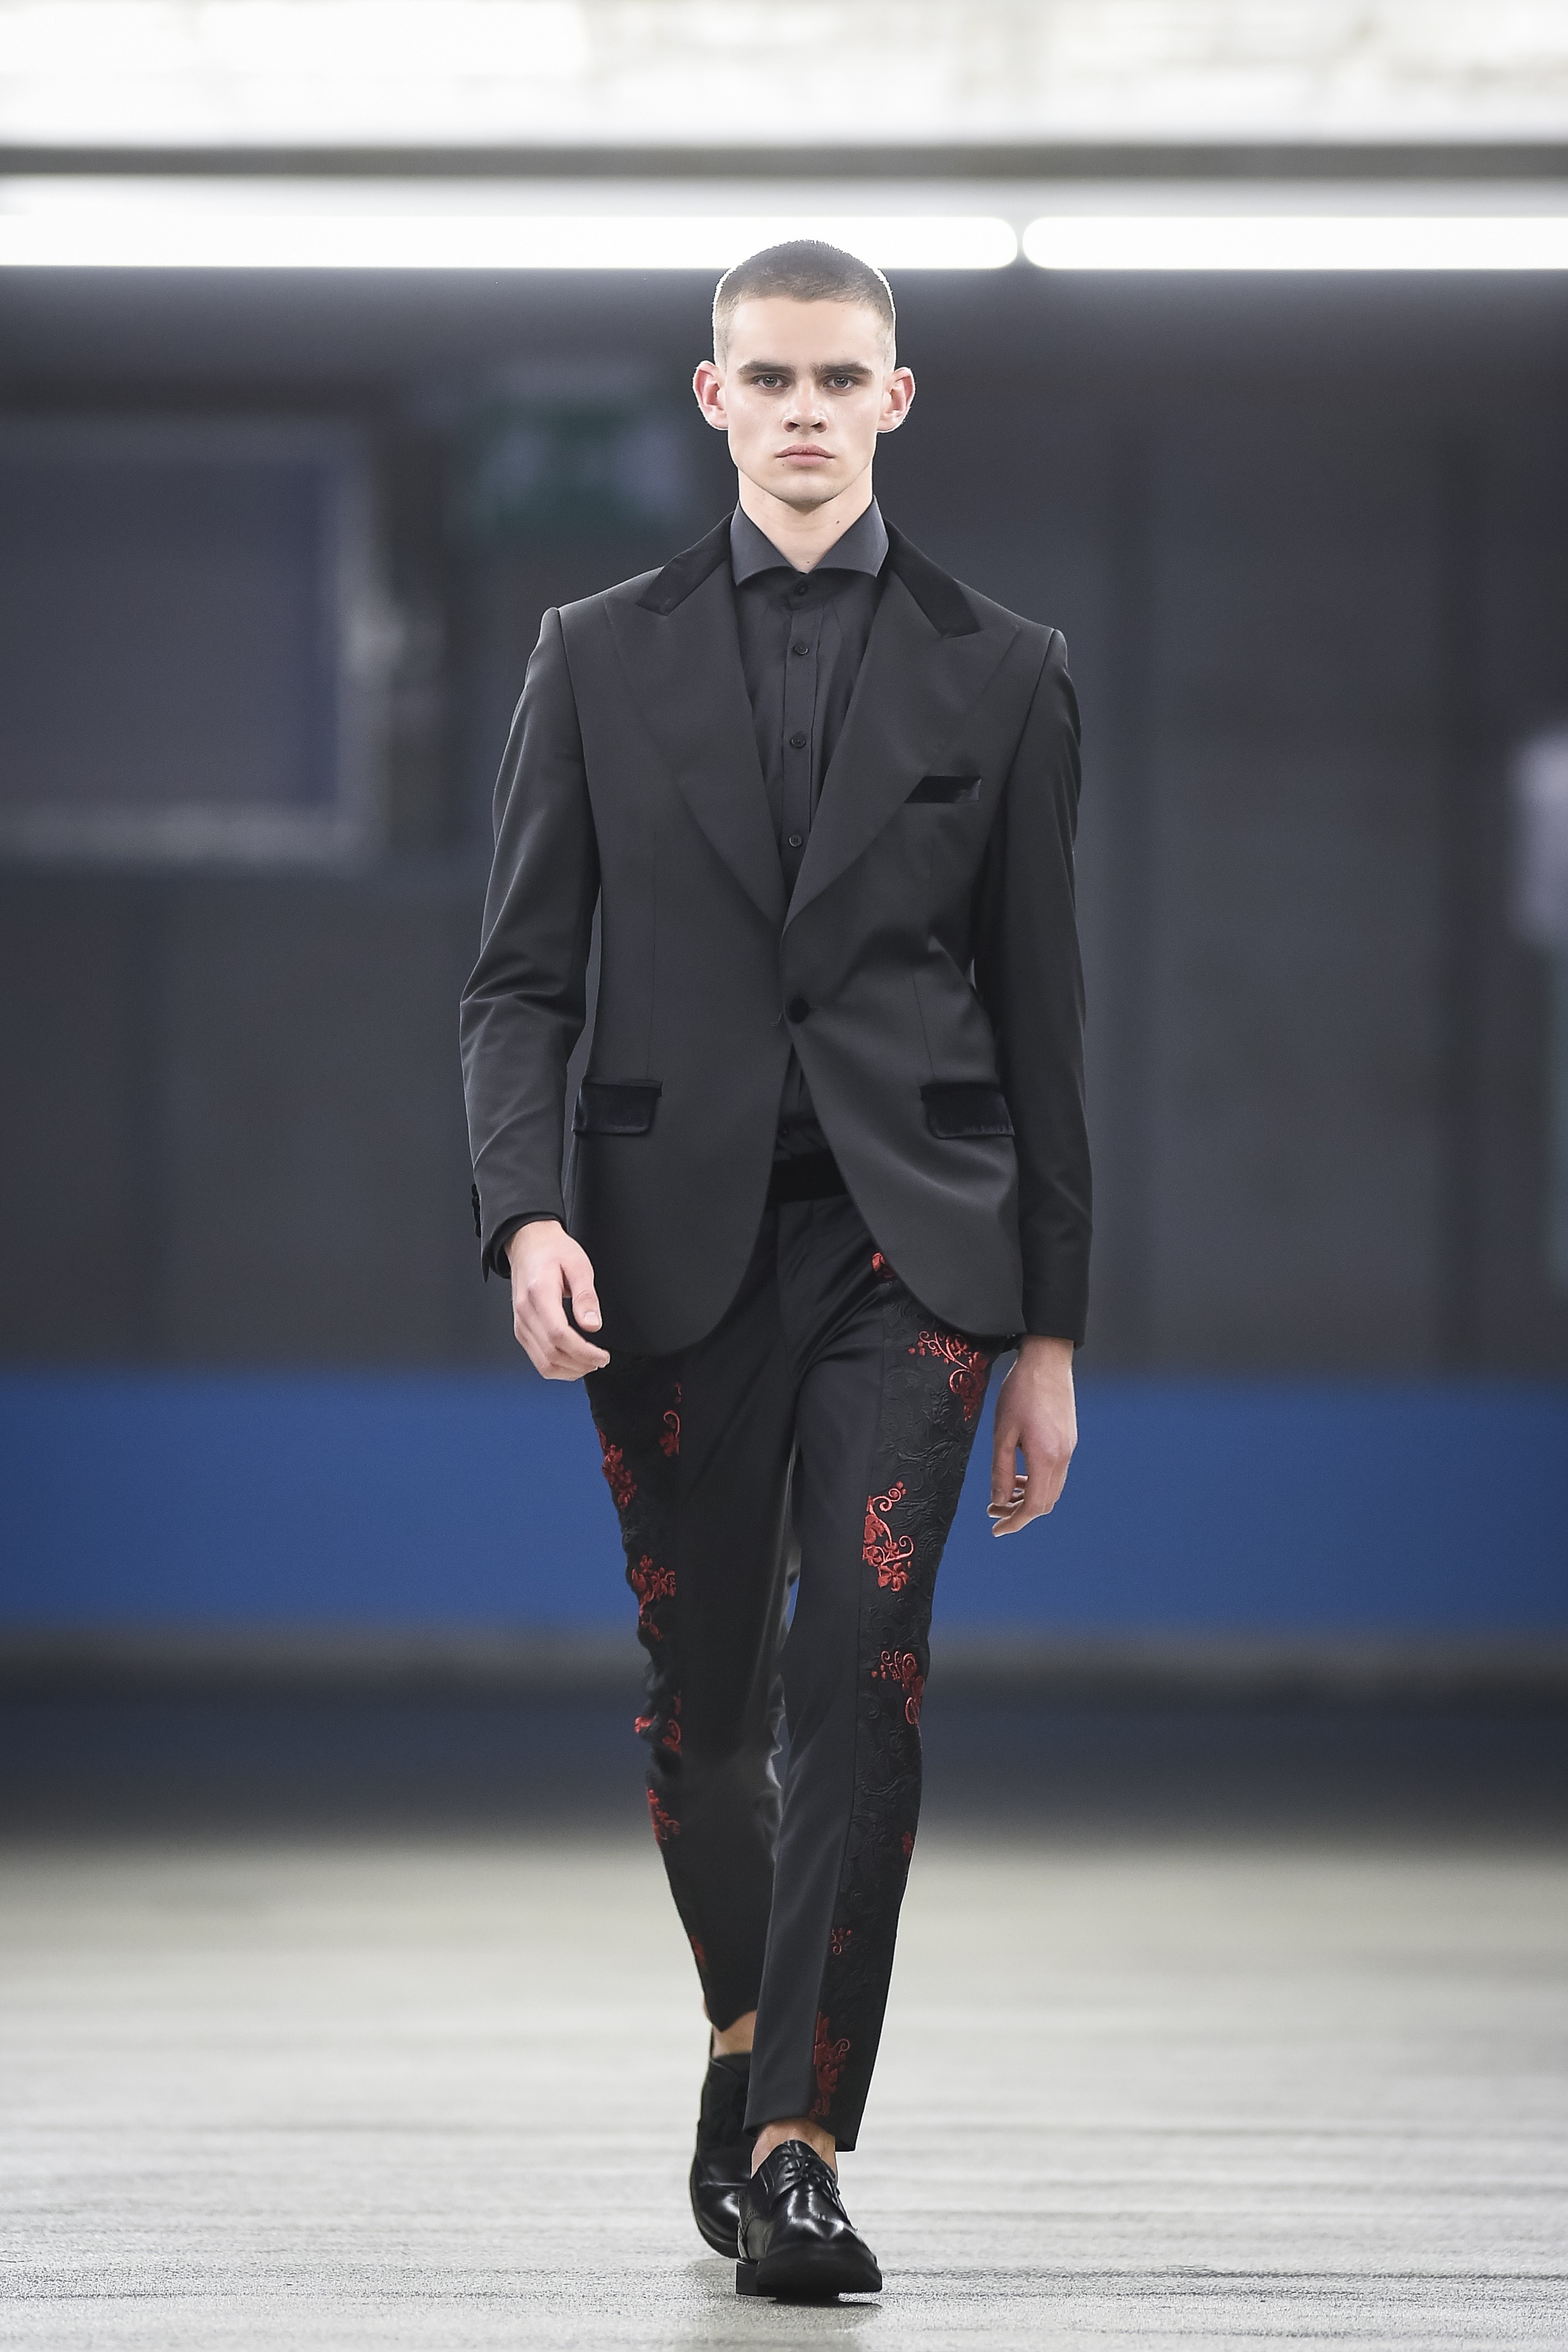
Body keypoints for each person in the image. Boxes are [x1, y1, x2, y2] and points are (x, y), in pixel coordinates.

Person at [461, 241, 1089, 2302]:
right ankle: (749, 2035)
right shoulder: (591, 655)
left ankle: (805, 2144)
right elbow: (521, 980)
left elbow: (1044, 1019)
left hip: (921, 1249)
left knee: (862, 1668)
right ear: (712, 396)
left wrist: (1053, 1329)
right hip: (668, 1248)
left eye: (840, 378)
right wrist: (526, 1210)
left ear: (895, 399)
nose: (805, 409)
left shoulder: (1007, 671)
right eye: (771, 377)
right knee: (707, 1711)